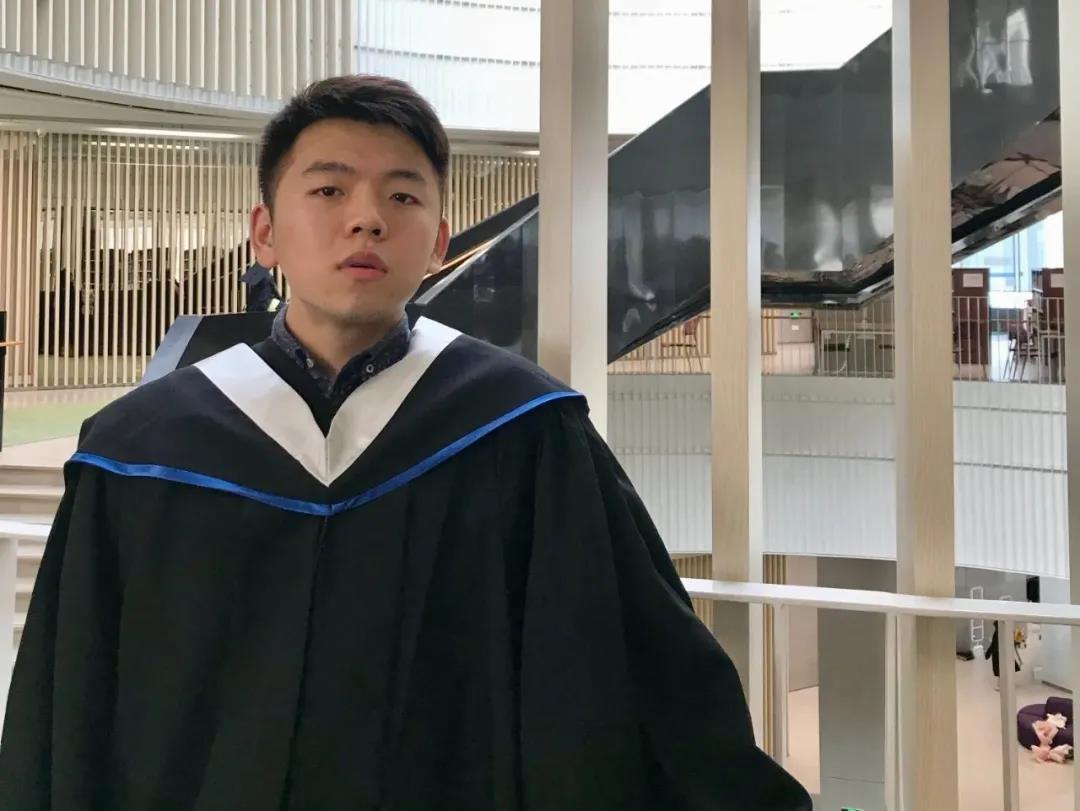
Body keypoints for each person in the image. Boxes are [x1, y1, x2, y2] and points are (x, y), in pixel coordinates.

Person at [0, 75, 810, 810]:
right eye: (329, 188)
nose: (367, 218)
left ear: (439, 243)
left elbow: (646, 679)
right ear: (265, 233)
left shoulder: (525, 431)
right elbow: (67, 709)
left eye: (402, 195)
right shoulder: (141, 450)